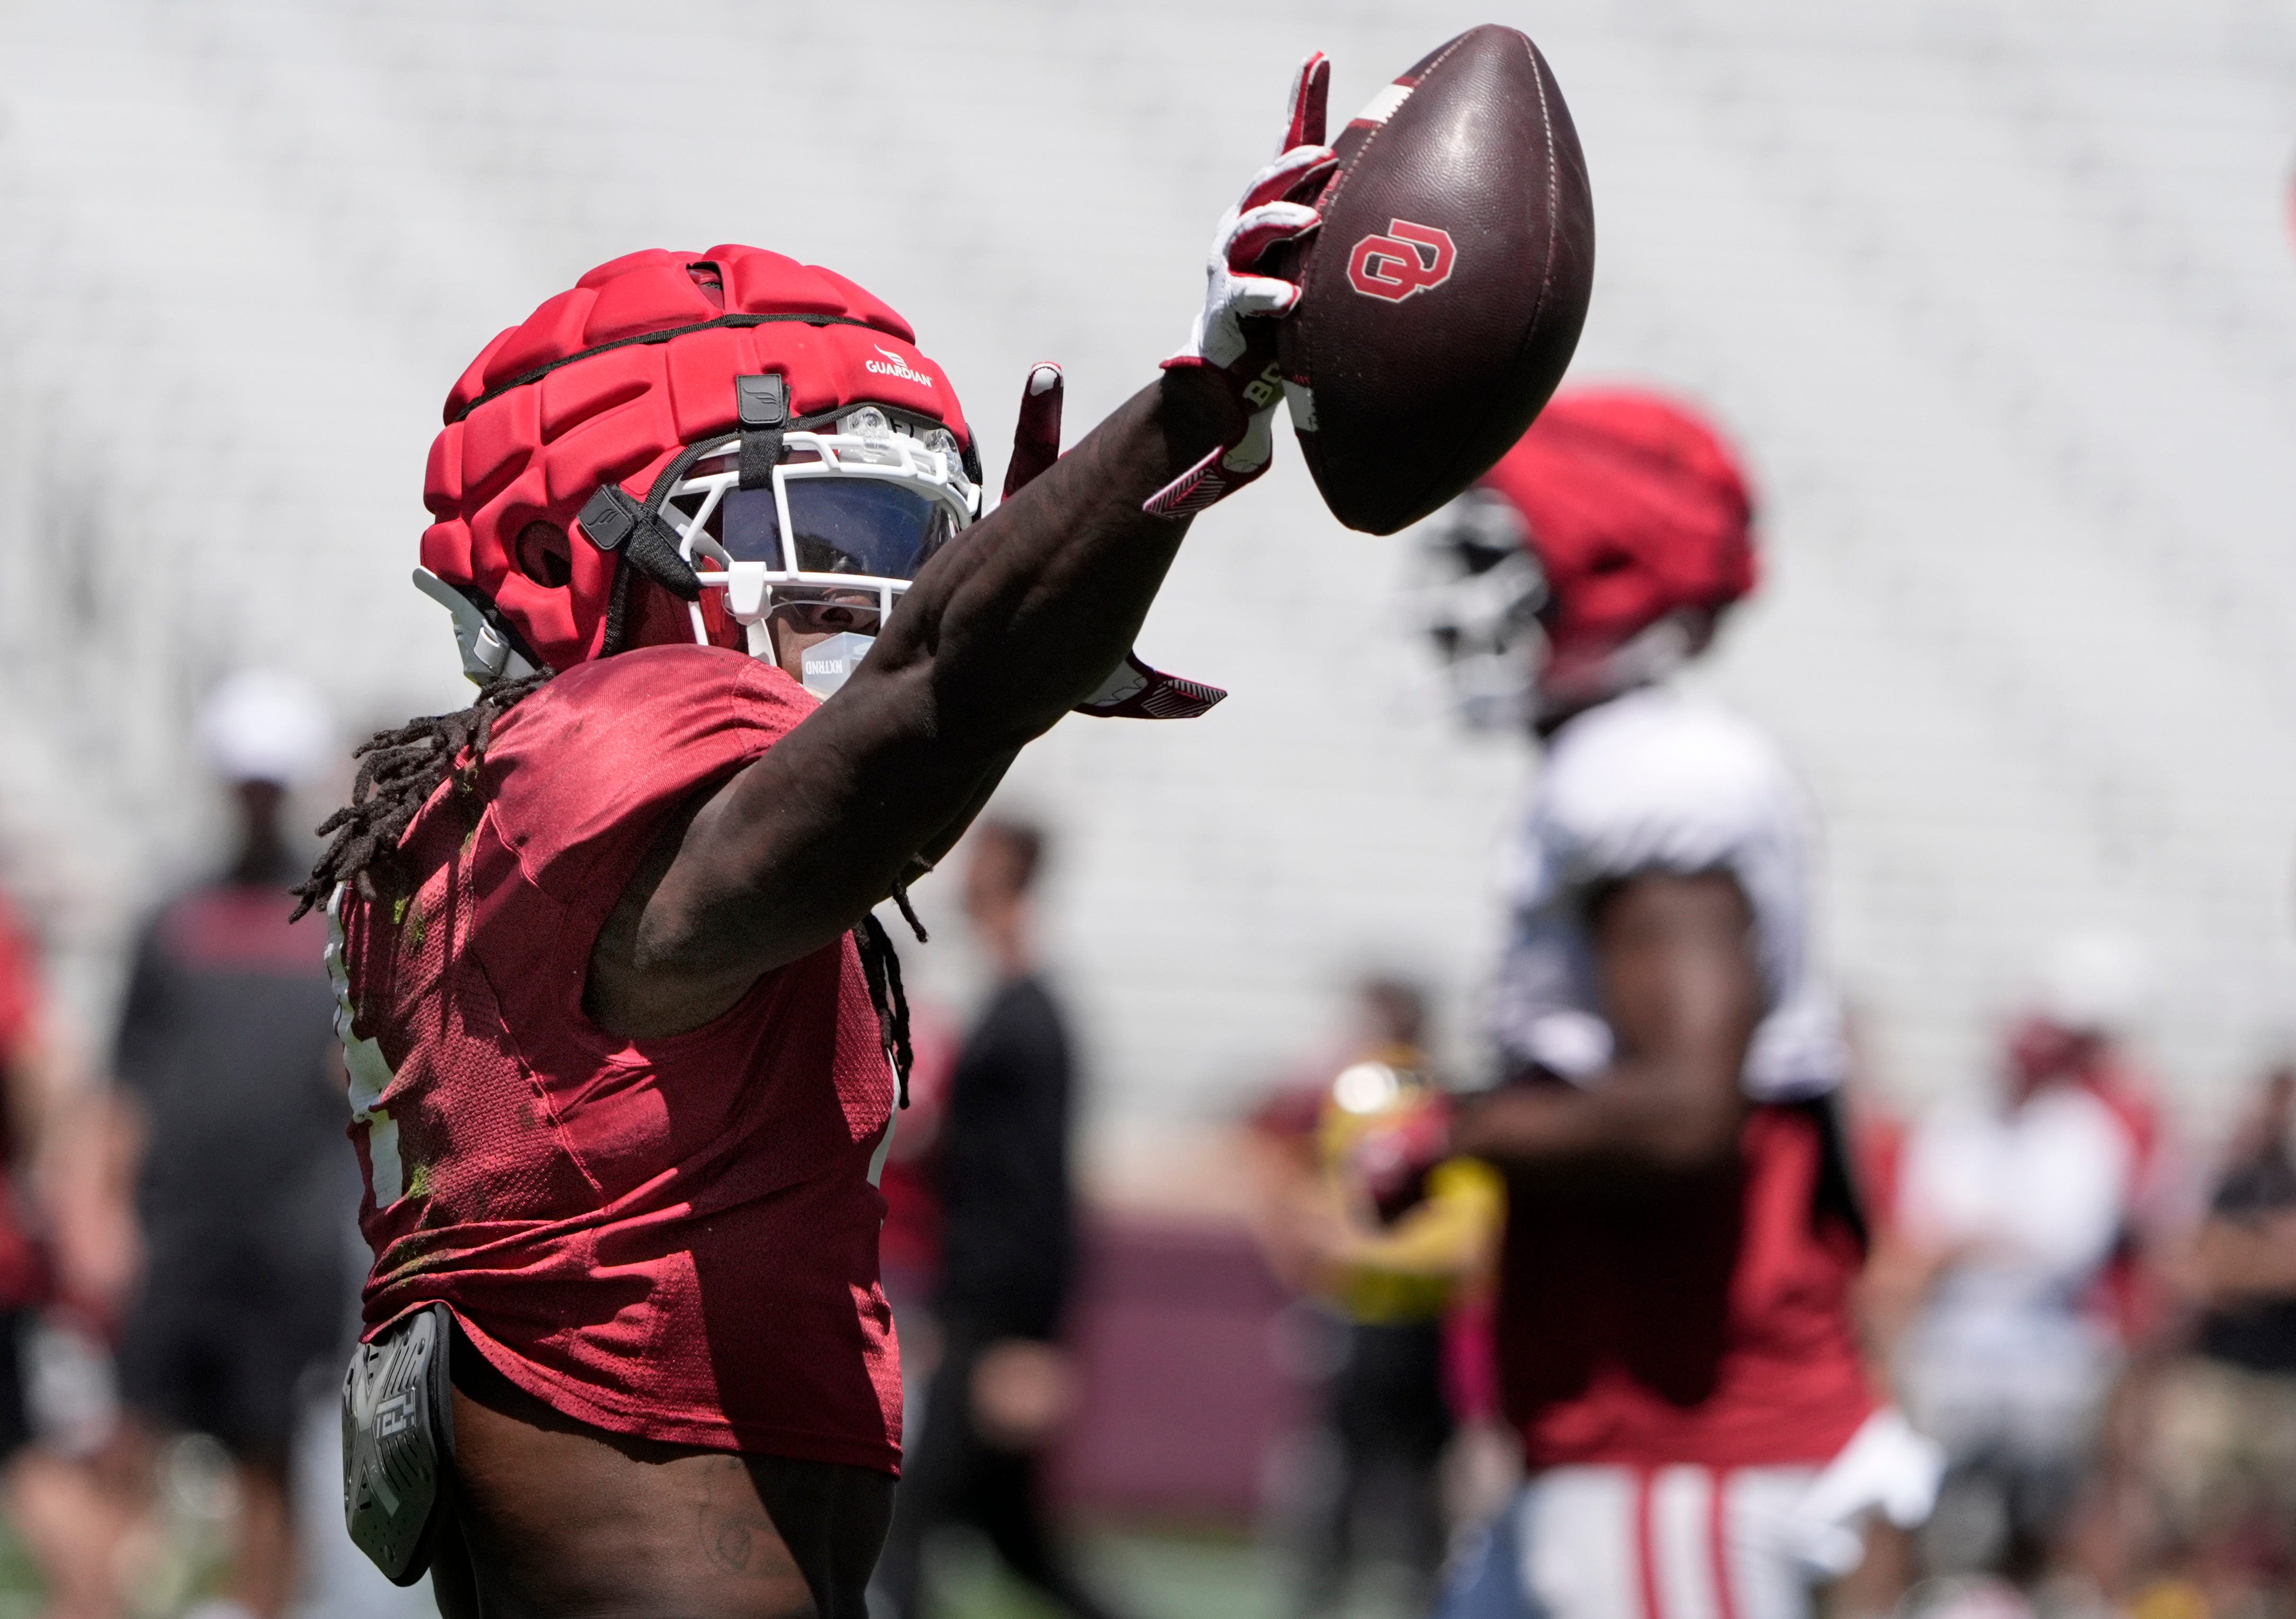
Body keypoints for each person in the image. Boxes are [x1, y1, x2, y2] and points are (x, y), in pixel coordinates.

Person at [304, 55, 1343, 1619]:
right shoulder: (557, 780)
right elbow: (926, 706)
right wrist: (1195, 413)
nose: (873, 593)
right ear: (562, 547)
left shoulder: (510, 816)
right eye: (821, 537)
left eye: (912, 542)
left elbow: (930, 707)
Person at [1413, 391, 1943, 1619]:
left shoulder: (1649, 775)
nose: (1476, 593)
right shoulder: (1624, 763)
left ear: (1600, 568)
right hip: (1635, 1441)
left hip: (1679, 1445)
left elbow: (1685, 1110)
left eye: (1512, 554)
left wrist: (1449, 1132)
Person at [109, 670, 353, 1619]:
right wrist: (105, 1218)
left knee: (267, 1449)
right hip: (178, 1228)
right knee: (134, 1430)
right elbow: (124, 1081)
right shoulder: (171, 919)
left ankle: (265, 1607)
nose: (256, 799)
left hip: (289, 1229)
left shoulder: (330, 917)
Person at [872, 819, 1125, 1619]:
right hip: (979, 1304)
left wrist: (1031, 1338)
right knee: (1012, 1535)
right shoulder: (1005, 1004)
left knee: (913, 1525)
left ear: (1010, 872)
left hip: (997, 1316)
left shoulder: (1032, 1016)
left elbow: (1040, 1188)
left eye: (978, 857)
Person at [1885, 947, 2167, 1590]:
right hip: (1954, 1349)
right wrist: (1981, 1245)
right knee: (1939, 1513)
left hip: (2048, 1352)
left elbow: (2063, 1246)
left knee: (2051, 1509)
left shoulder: (2084, 1132)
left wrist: (1972, 1245)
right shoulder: (1955, 1119)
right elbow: (1922, 1233)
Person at [1246, 978, 1502, 1618]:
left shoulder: (1432, 1115)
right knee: (1340, 1493)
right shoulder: (1358, 1108)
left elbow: (1465, 1245)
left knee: (1409, 1502)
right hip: (1366, 1323)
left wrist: (1351, 1249)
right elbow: (1282, 1164)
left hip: (1416, 1330)